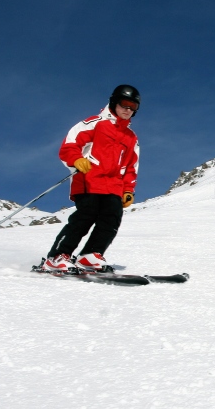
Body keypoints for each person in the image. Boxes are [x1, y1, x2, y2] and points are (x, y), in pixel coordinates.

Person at [38, 84, 141, 274]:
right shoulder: (95, 123)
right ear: (114, 103)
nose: (128, 110)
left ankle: (90, 255)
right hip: (89, 179)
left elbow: (131, 167)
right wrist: (76, 159)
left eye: (133, 107)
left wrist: (128, 190)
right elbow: (69, 145)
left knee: (111, 219)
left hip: (114, 186)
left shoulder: (131, 138)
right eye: (125, 104)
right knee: (85, 217)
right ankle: (57, 257)